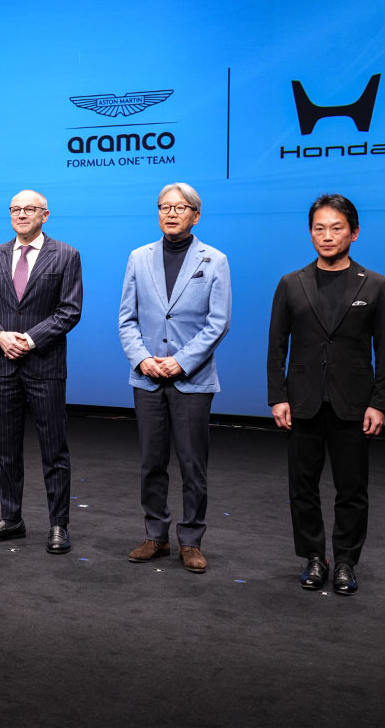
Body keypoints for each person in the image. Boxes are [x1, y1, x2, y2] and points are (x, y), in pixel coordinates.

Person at [267, 193, 385, 595]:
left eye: (336, 228)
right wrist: (277, 396)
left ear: (354, 233)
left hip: (354, 403)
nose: (327, 235)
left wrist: (379, 403)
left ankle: (344, 562)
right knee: (302, 487)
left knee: (352, 489)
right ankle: (312, 557)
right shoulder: (291, 283)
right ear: (310, 233)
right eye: (319, 228)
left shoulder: (376, 285)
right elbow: (276, 346)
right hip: (302, 401)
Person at [118, 182, 230, 573]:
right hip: (148, 378)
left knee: (192, 465)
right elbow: (127, 319)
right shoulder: (138, 257)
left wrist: (181, 361)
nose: (171, 213)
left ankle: (191, 540)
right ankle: (156, 536)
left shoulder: (214, 260)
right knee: (151, 462)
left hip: (191, 379)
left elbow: (218, 323)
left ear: (195, 215)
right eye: (164, 207)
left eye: (180, 208)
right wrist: (142, 359)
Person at [0, 190, 83, 552]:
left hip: (44, 366)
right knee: (6, 449)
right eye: (15, 209)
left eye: (29, 209)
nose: (21, 215)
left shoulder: (65, 254)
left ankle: (58, 524)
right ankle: (11, 519)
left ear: (45, 215)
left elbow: (69, 311)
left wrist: (30, 340)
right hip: (3, 365)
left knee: (54, 450)